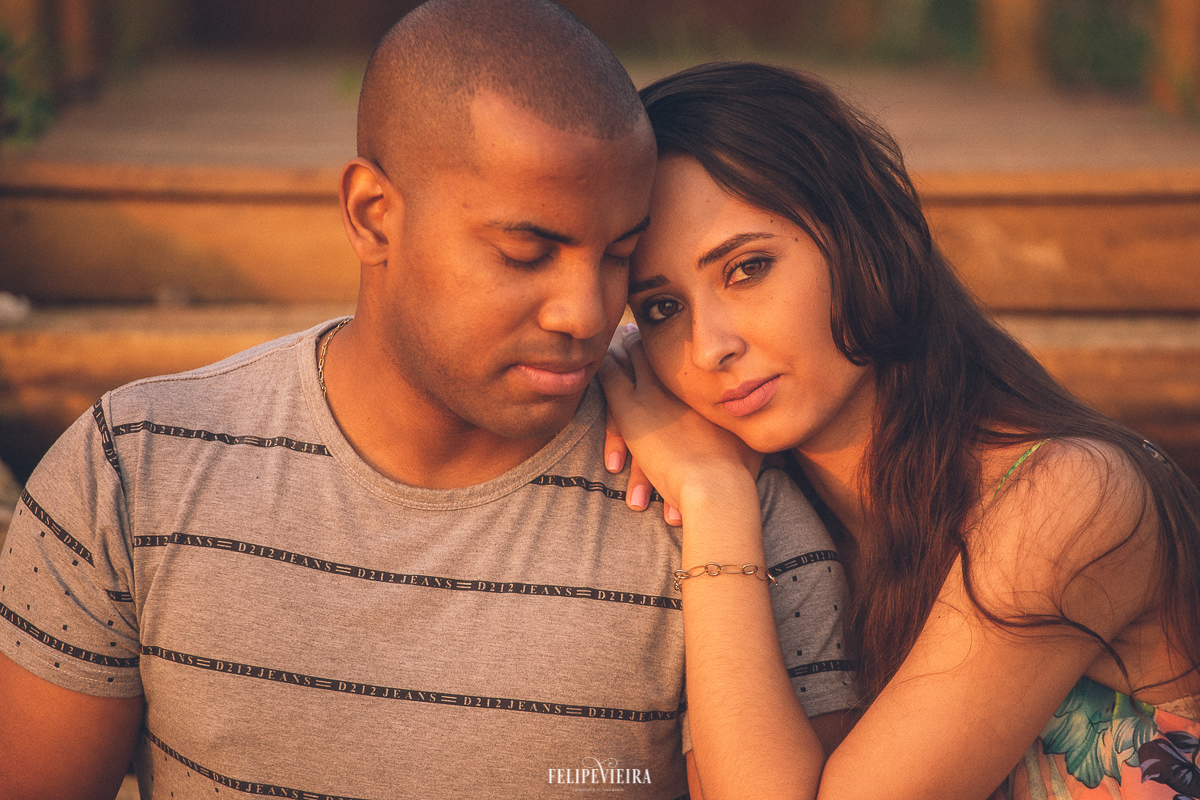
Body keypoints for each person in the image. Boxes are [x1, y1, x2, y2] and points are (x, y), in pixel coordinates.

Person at [0, 8, 857, 800]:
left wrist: (715, 508)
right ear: (373, 216)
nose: (587, 316)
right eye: (527, 252)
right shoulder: (138, 467)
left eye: (617, 259)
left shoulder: (724, 516)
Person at [599, 61, 1200, 800]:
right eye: (661, 309)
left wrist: (714, 499)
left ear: (860, 231)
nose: (708, 347)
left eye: (747, 268)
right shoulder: (790, 524)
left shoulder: (1069, 500)